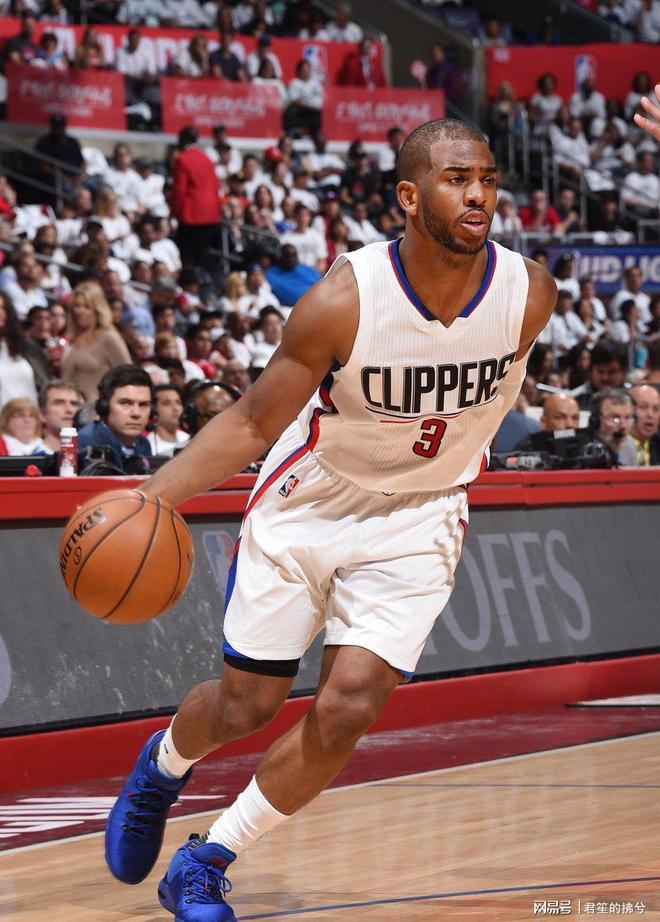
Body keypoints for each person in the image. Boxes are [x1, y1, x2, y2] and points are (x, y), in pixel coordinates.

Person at [104, 118, 556, 921]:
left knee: (351, 703)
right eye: (457, 179)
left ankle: (207, 858)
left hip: (422, 512)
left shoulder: (530, 294)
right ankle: (161, 768)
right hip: (313, 499)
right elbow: (251, 420)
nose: (479, 194)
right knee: (245, 706)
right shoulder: (344, 299)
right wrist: (153, 498)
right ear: (410, 196)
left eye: (487, 178)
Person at [60, 281, 132, 401]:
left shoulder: (109, 338)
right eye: (77, 306)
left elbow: (129, 377)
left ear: (97, 310)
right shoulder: (69, 341)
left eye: (86, 307)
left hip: (97, 408)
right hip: (69, 407)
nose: (80, 311)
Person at [77, 364, 153, 472]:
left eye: (143, 405)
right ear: (104, 406)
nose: (136, 413)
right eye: (126, 403)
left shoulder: (143, 443)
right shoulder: (87, 441)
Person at [170, 126, 221, 270]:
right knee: (202, 252)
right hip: (210, 212)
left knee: (187, 254)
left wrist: (175, 212)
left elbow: (179, 190)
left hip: (191, 213)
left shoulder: (183, 159)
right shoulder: (207, 159)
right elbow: (215, 186)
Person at [589, 387, 637, 466]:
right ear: (596, 421)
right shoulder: (583, 450)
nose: (623, 426)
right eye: (614, 418)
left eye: (627, 418)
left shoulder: (629, 445)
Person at [38, 379, 84, 453]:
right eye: (59, 403)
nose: (69, 410)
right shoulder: (29, 457)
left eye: (74, 404)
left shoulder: (89, 455)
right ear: (43, 415)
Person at [147, 384, 190, 457]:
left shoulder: (188, 438)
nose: (175, 408)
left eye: (178, 402)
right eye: (167, 403)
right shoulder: (149, 445)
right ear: (154, 409)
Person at [629, 383, 660, 465]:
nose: (650, 415)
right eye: (643, 407)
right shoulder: (615, 447)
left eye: (656, 409)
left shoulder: (658, 443)